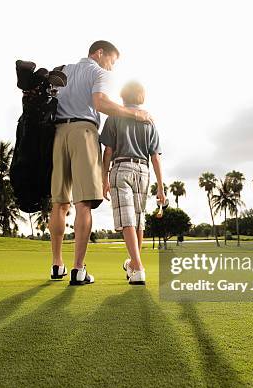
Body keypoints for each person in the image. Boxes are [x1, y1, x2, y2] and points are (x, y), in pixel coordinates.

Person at [48, 41, 153, 285]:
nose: (112, 68)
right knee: (83, 202)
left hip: (57, 135)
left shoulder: (63, 70)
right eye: (112, 61)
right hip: (83, 132)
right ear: (99, 53)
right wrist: (134, 113)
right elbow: (100, 103)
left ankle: (57, 266)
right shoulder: (98, 71)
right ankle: (78, 270)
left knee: (59, 203)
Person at [100, 81, 165, 285]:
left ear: (123, 96)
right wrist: (161, 187)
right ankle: (133, 265)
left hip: (121, 168)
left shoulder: (114, 116)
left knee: (128, 219)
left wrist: (104, 177)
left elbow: (108, 151)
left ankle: (138, 267)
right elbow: (155, 157)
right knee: (138, 220)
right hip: (143, 170)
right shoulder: (149, 120)